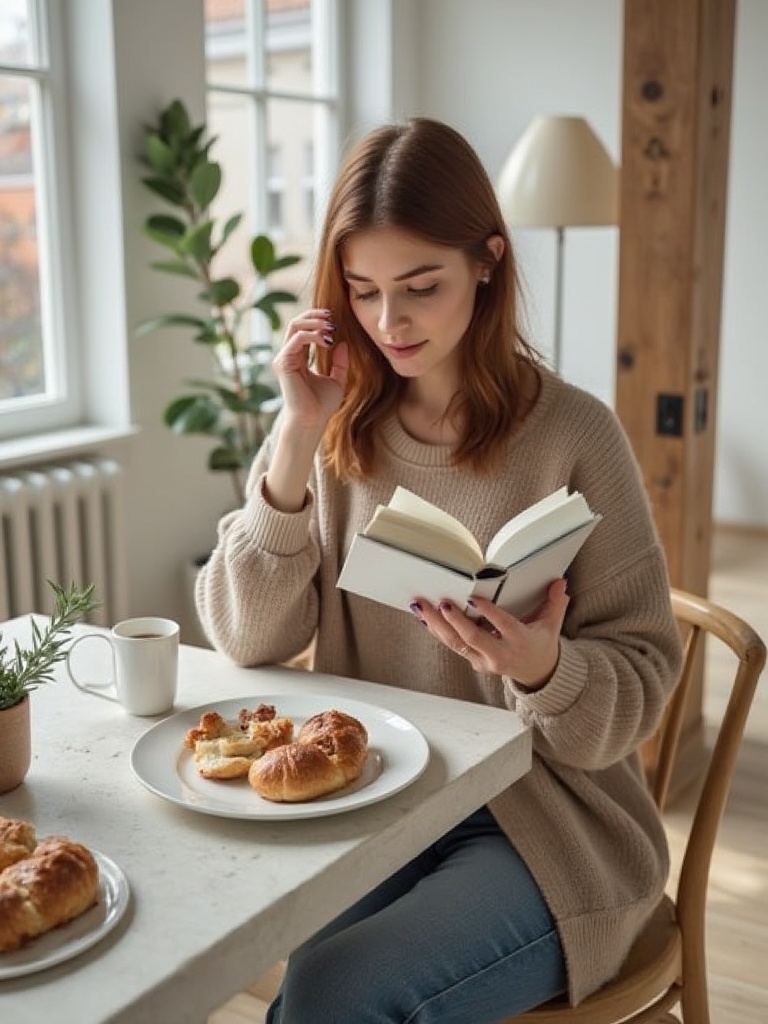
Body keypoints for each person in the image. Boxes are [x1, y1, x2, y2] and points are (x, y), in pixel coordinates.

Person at [195, 117, 683, 1024]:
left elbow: (643, 688)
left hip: (551, 826)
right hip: (386, 803)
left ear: (489, 261)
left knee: (337, 994)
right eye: (365, 290)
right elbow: (246, 635)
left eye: (422, 286)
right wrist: (297, 438)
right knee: (297, 985)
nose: (390, 323)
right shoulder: (336, 422)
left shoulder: (576, 435)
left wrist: (542, 667)